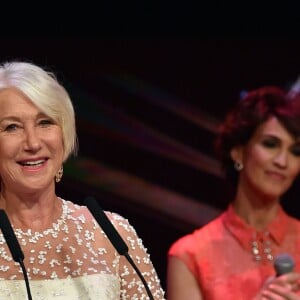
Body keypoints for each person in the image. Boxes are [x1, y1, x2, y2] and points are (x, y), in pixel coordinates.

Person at [0, 61, 165, 299]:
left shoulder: (113, 234)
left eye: (45, 122)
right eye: (12, 127)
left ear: (64, 133)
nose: (33, 143)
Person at [167, 85, 300, 299]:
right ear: (238, 152)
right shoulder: (191, 255)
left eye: (295, 151)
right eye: (270, 144)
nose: (282, 161)